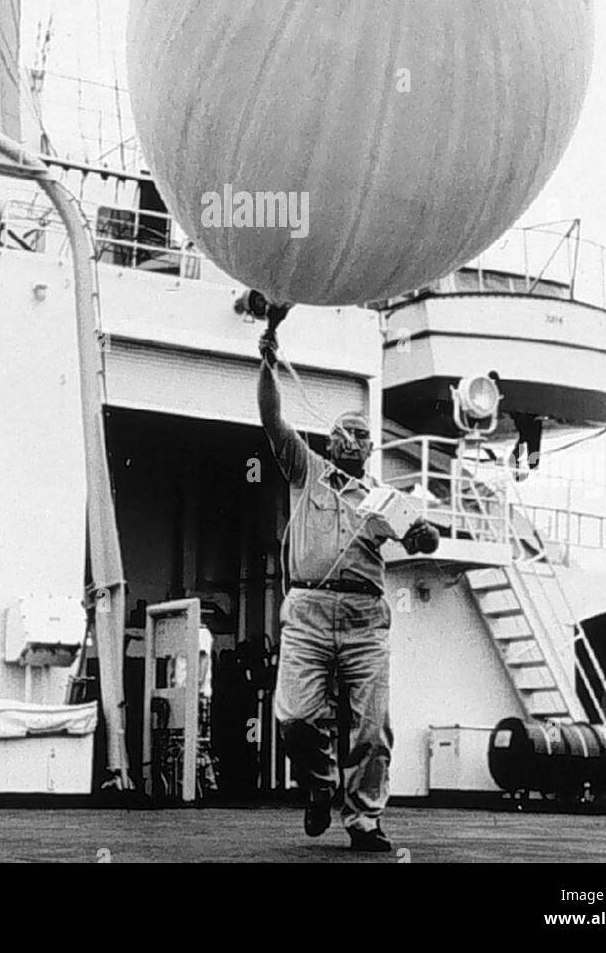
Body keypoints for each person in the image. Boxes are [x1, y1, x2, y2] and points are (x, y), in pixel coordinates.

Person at [257, 311, 439, 852]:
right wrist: (266, 363)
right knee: (294, 716)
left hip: (364, 618)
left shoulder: (385, 499)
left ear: (370, 448)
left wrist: (423, 531)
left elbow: (422, 543)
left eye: (362, 436)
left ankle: (365, 820)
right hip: (308, 613)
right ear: (331, 441)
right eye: (345, 433)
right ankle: (318, 785)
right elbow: (271, 418)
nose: (353, 441)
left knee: (372, 727)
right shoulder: (305, 469)